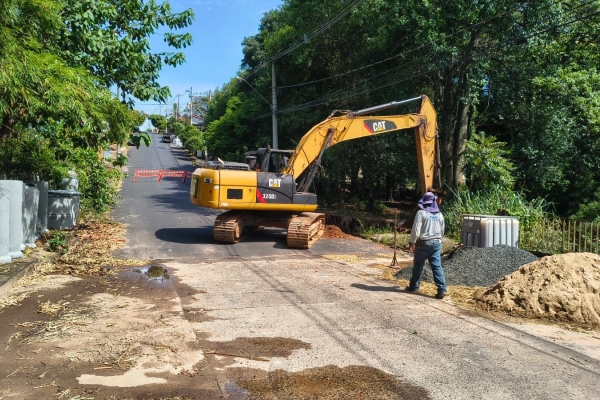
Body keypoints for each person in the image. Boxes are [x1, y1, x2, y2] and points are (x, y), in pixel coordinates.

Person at [406, 192, 447, 299]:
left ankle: (413, 286)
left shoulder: (421, 213)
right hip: (437, 243)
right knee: (436, 266)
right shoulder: (440, 215)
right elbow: (442, 231)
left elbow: (416, 230)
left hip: (424, 243)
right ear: (434, 201)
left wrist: (412, 242)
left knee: (418, 265)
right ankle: (442, 289)